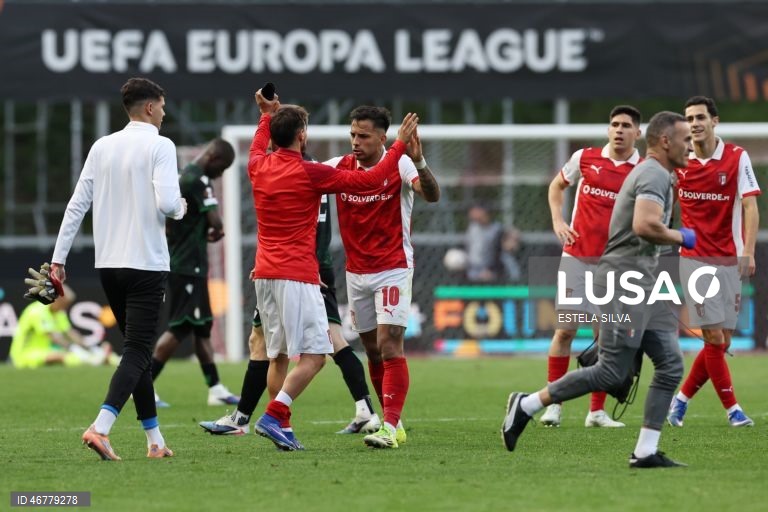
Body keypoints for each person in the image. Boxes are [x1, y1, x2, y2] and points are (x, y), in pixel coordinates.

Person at [502, 111, 695, 468]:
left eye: (626, 126)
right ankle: (528, 405)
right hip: (617, 278)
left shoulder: (656, 172)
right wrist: (681, 236)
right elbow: (644, 225)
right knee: (606, 366)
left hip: (640, 281)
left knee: (669, 364)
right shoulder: (648, 172)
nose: (691, 144)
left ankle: (645, 450)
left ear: (638, 134)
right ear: (665, 141)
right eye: (685, 138)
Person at [246, 90, 418, 451]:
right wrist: (401, 146)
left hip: (263, 274)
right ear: (302, 136)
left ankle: (285, 425)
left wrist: (265, 115)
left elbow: (259, 141)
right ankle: (275, 414)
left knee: (276, 354)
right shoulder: (311, 173)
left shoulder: (256, 164)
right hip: (297, 273)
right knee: (314, 356)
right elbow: (371, 181)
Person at [50, 77, 187, 460]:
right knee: (139, 350)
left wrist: (59, 259)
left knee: (135, 351)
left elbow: (76, 205)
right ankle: (101, 427)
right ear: (148, 107)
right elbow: (167, 204)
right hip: (145, 264)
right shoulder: (161, 145)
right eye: (161, 105)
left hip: (108, 264)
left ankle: (155, 441)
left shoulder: (102, 146)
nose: (164, 112)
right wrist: (181, 207)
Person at [200, 153, 381, 436]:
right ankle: (362, 409)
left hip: (301, 271)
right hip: (298, 268)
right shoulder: (320, 170)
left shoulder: (292, 174)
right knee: (274, 342)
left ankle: (267, 419)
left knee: (290, 349)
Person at [325, 105, 440, 448]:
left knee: (391, 343)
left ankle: (389, 427)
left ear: (382, 137)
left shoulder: (401, 162)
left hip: (393, 266)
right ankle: (396, 422)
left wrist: (419, 161)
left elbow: (432, 195)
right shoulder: (339, 168)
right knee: (373, 351)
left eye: (363, 136)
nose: (355, 142)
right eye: (352, 135)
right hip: (356, 273)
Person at [542, 105, 643, 428]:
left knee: (606, 337)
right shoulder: (585, 158)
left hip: (615, 266)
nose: (619, 130)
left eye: (626, 125)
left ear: (637, 133)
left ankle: (595, 411)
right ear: (608, 129)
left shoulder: (643, 169)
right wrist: (558, 221)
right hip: (577, 258)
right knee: (566, 330)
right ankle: (554, 404)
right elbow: (557, 186)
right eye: (614, 124)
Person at [667, 96, 760, 428]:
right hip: (693, 260)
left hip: (727, 259)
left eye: (700, 117)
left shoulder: (736, 157)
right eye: (689, 118)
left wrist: (747, 251)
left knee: (723, 342)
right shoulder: (678, 160)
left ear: (714, 121)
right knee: (714, 340)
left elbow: (750, 206)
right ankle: (733, 410)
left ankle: (679, 401)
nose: (694, 123)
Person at [149, 138, 240, 408]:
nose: (221, 174)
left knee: (201, 327)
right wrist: (213, 230)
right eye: (222, 168)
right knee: (181, 326)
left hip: (186, 263)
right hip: (187, 266)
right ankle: (143, 386)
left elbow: (167, 223)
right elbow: (217, 224)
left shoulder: (182, 176)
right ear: (212, 157)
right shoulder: (198, 180)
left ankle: (216, 388)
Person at [11, 285, 113, 368]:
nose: (65, 308)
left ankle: (110, 359)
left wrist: (90, 348)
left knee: (70, 355)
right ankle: (94, 361)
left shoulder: (59, 313)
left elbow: (70, 333)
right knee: (65, 357)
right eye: (65, 304)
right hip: (24, 355)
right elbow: (55, 338)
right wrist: (77, 350)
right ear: (57, 300)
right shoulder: (37, 312)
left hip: (45, 351)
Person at [465, 205, 504, 283]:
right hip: (471, 267)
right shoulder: (472, 227)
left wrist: (490, 269)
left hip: (489, 267)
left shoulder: (496, 228)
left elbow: (498, 252)